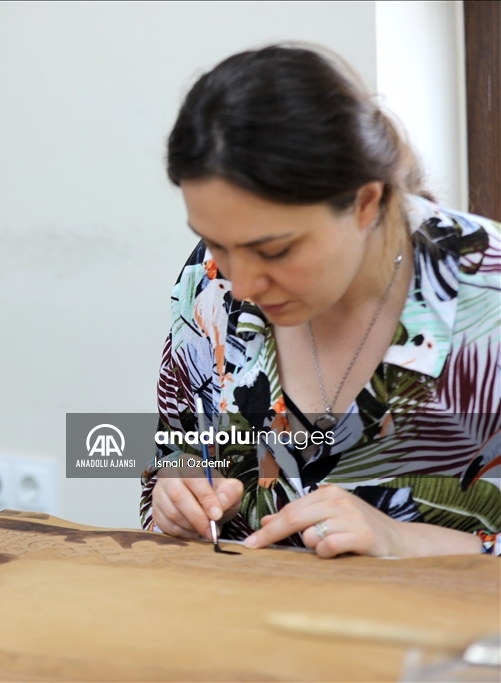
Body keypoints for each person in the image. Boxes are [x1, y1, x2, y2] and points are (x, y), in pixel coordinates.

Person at [141, 46, 500, 558]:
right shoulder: (209, 278)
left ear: (365, 202)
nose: (241, 286)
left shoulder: (487, 294)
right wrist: (174, 493)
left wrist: (405, 540)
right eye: (218, 242)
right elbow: (169, 451)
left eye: (275, 251)